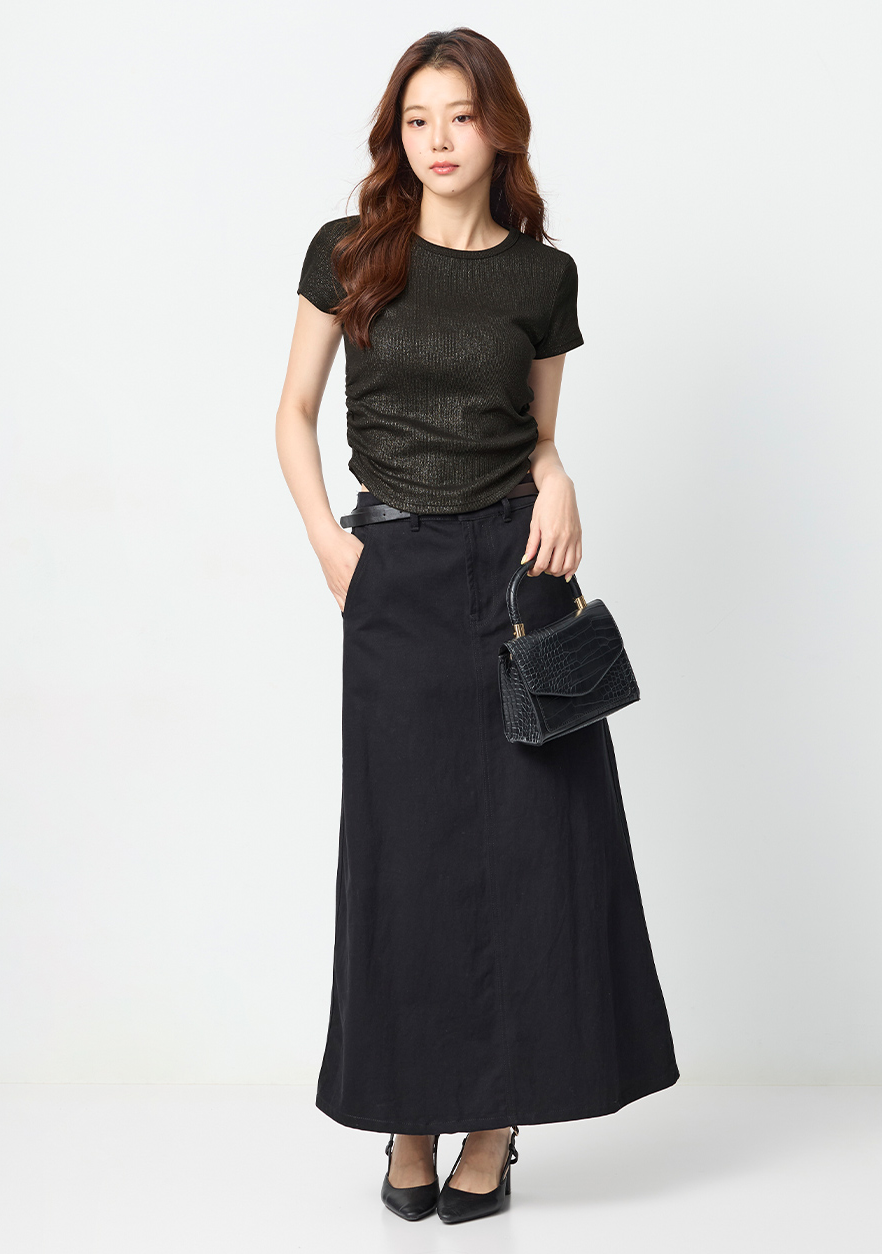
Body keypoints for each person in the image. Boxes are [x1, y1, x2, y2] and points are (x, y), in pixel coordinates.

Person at [276, 27, 678, 1224]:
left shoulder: (542, 277)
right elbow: (292, 413)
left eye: (458, 115)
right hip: (391, 569)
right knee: (403, 855)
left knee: (528, 851)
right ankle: (408, 1118)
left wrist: (559, 480)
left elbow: (539, 436)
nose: (437, 139)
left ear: (499, 128)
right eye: (417, 119)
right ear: (395, 135)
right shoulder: (348, 252)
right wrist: (332, 546)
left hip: (515, 575)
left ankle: (494, 1128)